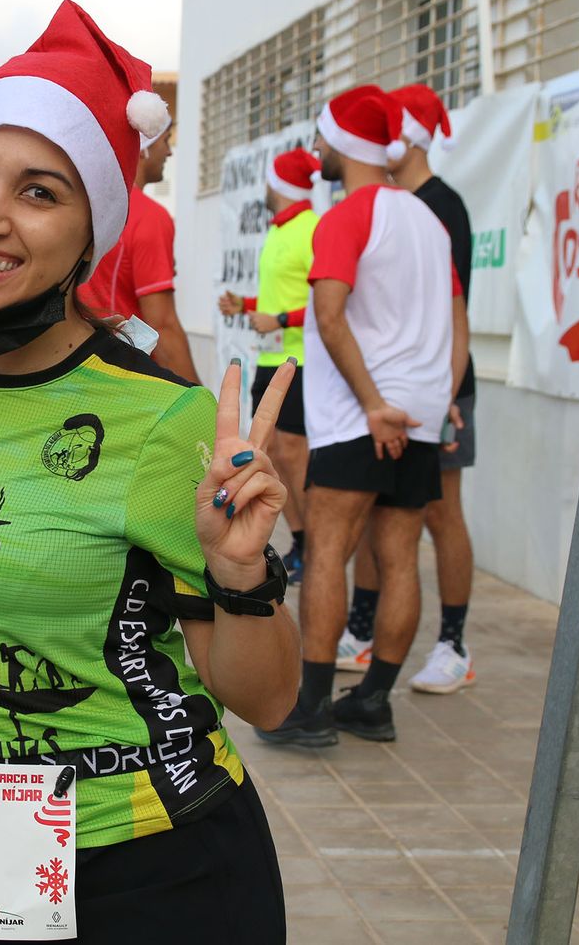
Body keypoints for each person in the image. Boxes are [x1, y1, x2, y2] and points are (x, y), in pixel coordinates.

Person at [0, 0, 298, 943]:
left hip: (150, 875)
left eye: (40, 192)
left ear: (91, 236)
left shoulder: (161, 417)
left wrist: (242, 574)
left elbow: (266, 698)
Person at [255, 85, 468, 748]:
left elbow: (328, 313)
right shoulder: (430, 221)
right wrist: (439, 400)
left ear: (343, 144)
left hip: (360, 415)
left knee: (325, 551)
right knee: (400, 556)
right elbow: (459, 323)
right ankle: (373, 701)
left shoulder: (347, 216)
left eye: (321, 137)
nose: (315, 149)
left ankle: (314, 708)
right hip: (420, 415)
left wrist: (375, 404)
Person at [339, 85, 478, 693]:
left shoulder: (441, 206)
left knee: (441, 515)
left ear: (411, 135)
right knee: (378, 518)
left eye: (394, 122)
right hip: (386, 397)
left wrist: (443, 395)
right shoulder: (389, 203)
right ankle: (362, 633)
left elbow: (456, 316)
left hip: (438, 392)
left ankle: (454, 644)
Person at [217, 147, 321, 581]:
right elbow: (283, 298)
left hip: (302, 362)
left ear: (279, 184)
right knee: (273, 452)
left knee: (295, 458)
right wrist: (247, 305)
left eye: (270, 178)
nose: (265, 186)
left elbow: (324, 301)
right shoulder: (280, 230)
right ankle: (300, 541)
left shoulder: (312, 228)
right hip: (272, 359)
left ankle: (317, 549)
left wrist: (278, 319)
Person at [77, 112, 198, 378]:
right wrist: (205, 408)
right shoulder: (149, 216)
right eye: (165, 141)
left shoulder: (87, 205)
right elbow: (163, 325)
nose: (169, 152)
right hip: (125, 373)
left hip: (75, 366)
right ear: (143, 148)